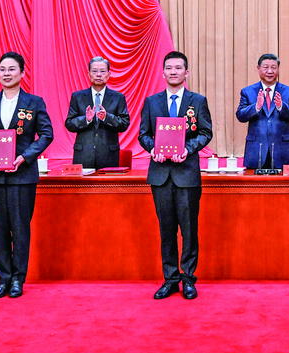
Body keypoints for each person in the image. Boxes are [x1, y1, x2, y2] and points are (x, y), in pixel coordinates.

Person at [0, 52, 53, 299]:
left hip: (21, 175)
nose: (6, 74)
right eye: (2, 69)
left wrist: (25, 157)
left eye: (12, 69)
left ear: (22, 73)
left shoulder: (34, 102)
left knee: (20, 227)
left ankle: (18, 278)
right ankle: (3, 278)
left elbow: (47, 134)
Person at [138, 51, 213, 300]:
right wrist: (153, 149)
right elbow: (143, 134)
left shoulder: (197, 101)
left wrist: (187, 149)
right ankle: (170, 279)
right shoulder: (152, 102)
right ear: (163, 73)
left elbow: (205, 132)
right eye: (169, 68)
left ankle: (188, 279)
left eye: (178, 68)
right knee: (166, 230)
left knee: (189, 230)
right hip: (160, 174)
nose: (173, 72)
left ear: (186, 72)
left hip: (186, 174)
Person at [235, 53, 289, 169]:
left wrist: (282, 107)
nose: (270, 71)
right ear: (258, 68)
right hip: (256, 150)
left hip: (283, 151)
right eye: (266, 67)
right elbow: (240, 116)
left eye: (273, 67)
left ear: (278, 69)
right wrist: (256, 107)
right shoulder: (247, 92)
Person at [64, 56, 130, 168]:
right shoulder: (78, 97)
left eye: (102, 71)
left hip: (109, 156)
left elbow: (124, 124)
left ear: (108, 74)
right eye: (94, 71)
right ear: (89, 74)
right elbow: (69, 124)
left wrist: (106, 117)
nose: (98, 75)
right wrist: (86, 119)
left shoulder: (118, 97)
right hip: (83, 155)